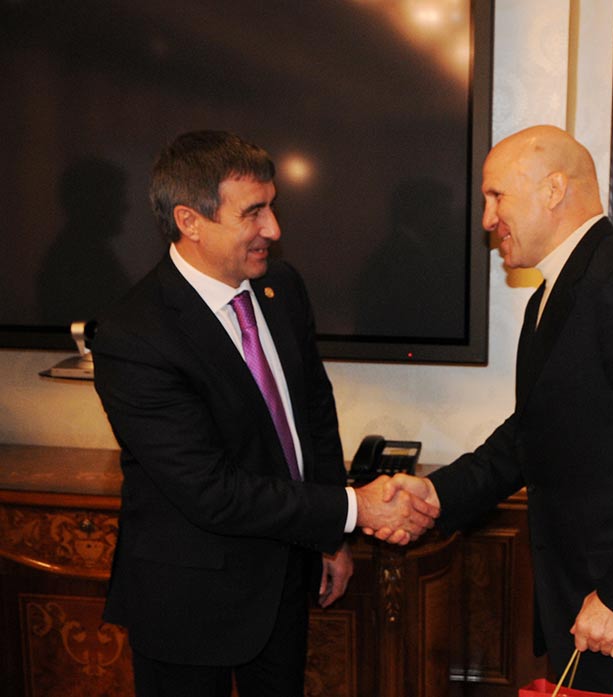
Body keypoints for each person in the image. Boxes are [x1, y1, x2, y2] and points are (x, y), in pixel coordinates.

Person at [381, 125, 613, 695]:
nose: (487, 219)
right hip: (585, 600)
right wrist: (438, 493)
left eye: (497, 196)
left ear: (553, 190)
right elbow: (532, 431)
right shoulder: (554, 293)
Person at [92, 130, 438, 697]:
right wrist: (354, 508)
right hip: (189, 603)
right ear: (190, 221)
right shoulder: (134, 334)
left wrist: (329, 539)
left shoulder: (281, 286)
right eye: (253, 212)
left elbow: (313, 414)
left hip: (283, 579)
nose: (274, 229)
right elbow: (209, 490)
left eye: (272, 207)